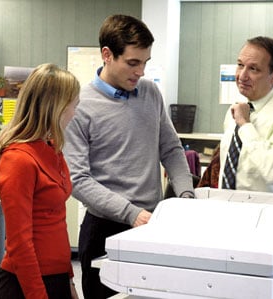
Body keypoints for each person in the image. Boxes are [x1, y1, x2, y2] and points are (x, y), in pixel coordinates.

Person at [64, 14, 195, 299]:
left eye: (145, 62)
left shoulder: (150, 92)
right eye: (133, 63)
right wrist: (131, 214)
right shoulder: (80, 106)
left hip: (154, 226)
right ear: (107, 55)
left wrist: (185, 196)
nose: (141, 72)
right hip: (105, 231)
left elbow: (171, 149)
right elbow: (78, 180)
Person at [0, 63, 80, 299]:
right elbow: (20, 242)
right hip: (26, 285)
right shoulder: (18, 159)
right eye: (73, 105)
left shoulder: (52, 149)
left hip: (57, 278)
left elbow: (58, 222)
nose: (74, 112)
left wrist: (70, 280)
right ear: (56, 107)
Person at [218, 36, 273, 194]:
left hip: (268, 213)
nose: (242, 75)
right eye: (240, 65)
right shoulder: (238, 107)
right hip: (230, 208)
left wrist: (245, 126)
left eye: (253, 69)